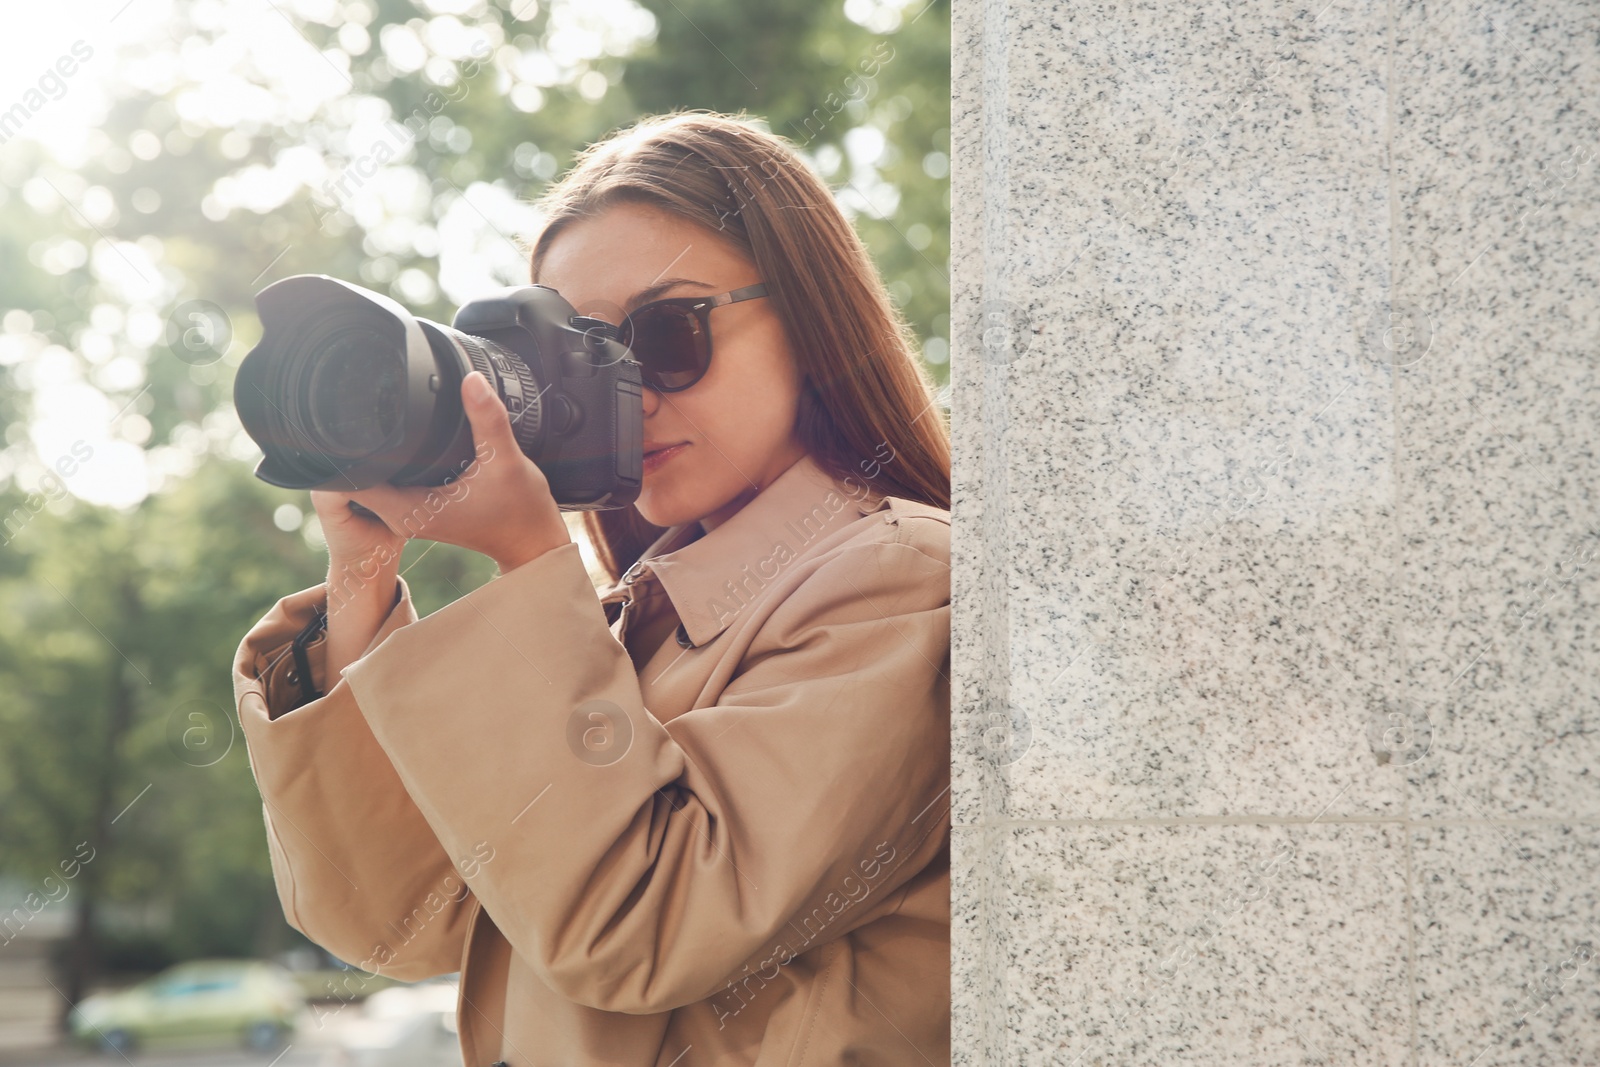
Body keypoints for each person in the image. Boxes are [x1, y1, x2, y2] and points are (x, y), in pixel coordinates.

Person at [231, 110, 951, 1066]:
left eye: (665, 333)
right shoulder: (617, 630)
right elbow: (398, 923)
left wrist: (531, 560)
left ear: (812, 322)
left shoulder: (901, 579)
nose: (629, 391)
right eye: (575, 351)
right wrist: (361, 585)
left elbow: (646, 927)